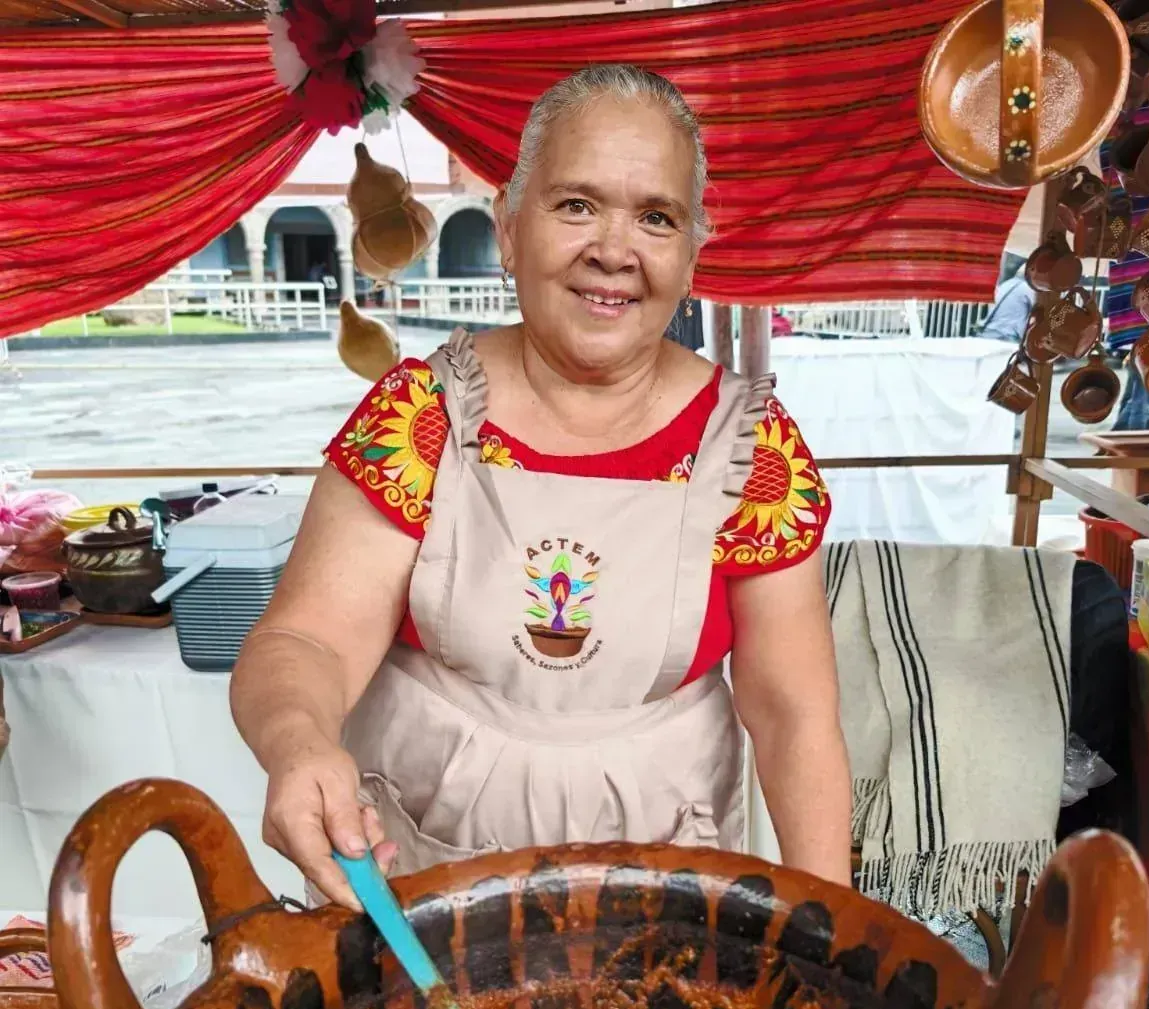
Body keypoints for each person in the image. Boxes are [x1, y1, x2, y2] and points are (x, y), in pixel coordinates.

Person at [231, 65, 852, 909]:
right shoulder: (420, 418)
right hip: (421, 876)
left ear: (693, 252)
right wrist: (298, 741)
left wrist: (832, 937)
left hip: (667, 886)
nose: (614, 250)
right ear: (511, 230)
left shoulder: (752, 449)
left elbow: (792, 715)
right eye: (576, 205)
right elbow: (306, 644)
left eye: (656, 218)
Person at [975, 267, 1036, 342]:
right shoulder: (1027, 288)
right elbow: (1041, 309)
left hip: (988, 331)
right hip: (1007, 335)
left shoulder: (1005, 284)